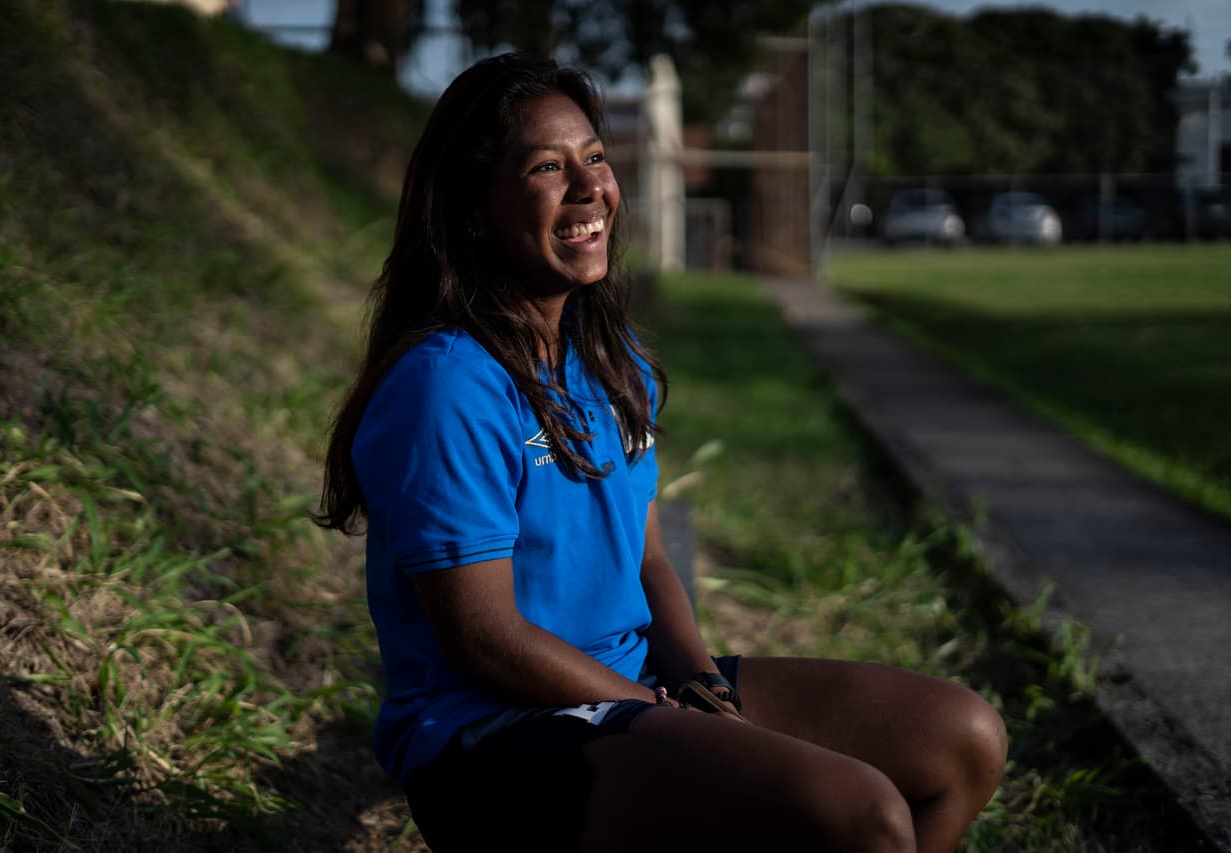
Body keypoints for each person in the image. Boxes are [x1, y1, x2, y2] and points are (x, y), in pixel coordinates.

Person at [316, 53, 1007, 853]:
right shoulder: (445, 384)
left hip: (630, 682)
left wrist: (702, 681)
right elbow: (488, 638)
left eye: (596, 159)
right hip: (496, 739)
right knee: (862, 813)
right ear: (474, 208)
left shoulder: (608, 358)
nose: (590, 189)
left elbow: (647, 561)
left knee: (963, 738)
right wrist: (649, 710)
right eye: (547, 167)